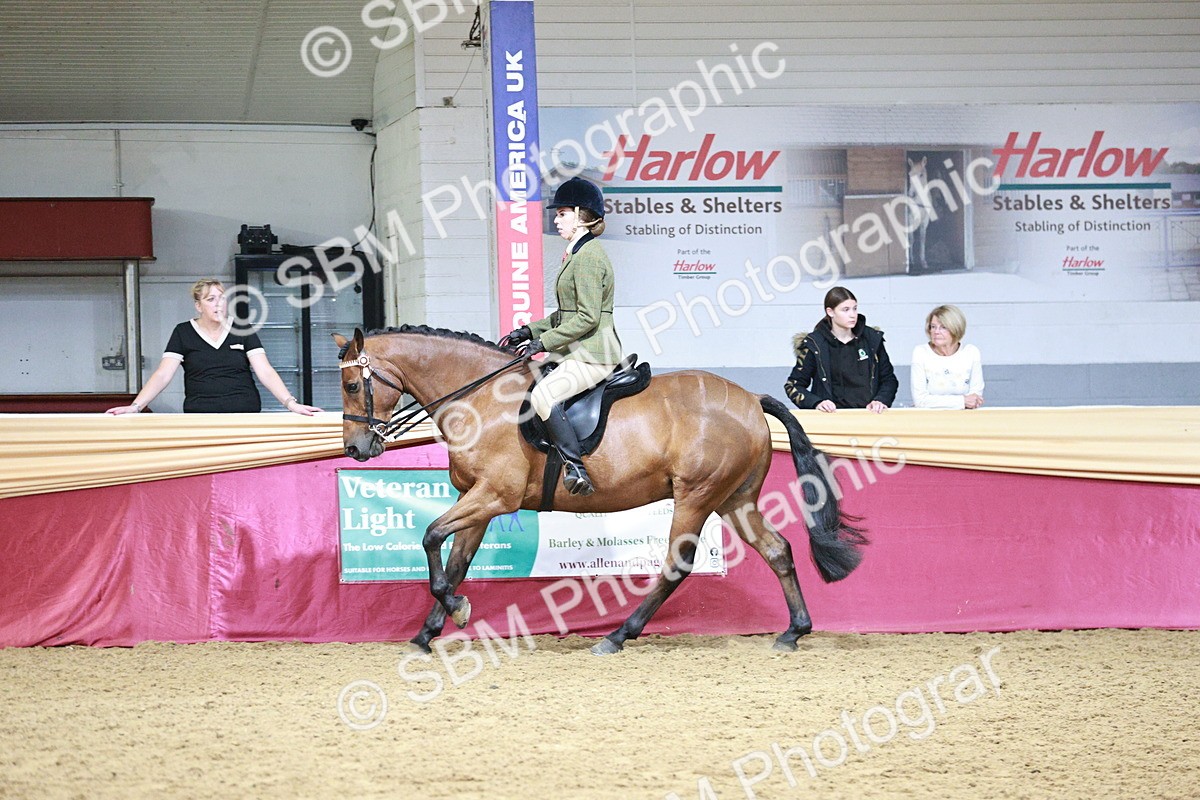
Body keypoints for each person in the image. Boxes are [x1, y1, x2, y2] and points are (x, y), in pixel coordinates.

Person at [505, 177, 622, 496]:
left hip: (593, 353)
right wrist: (528, 330)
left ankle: (575, 468)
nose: (555, 219)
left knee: (543, 396)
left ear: (582, 215)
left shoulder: (588, 257)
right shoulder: (575, 254)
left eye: (562, 214)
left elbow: (587, 318)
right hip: (575, 350)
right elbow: (565, 316)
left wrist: (542, 344)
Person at [106, 279, 322, 415]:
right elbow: (163, 375)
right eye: (211, 299)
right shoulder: (183, 332)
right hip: (201, 414)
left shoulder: (241, 328)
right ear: (198, 306)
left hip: (244, 412)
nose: (218, 304)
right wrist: (135, 406)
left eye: (222, 298)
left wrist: (290, 403)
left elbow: (265, 371)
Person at [785, 286, 898, 414]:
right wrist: (816, 402)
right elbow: (793, 386)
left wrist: (881, 400)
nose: (852, 315)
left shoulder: (872, 339)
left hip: (870, 417)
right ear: (830, 312)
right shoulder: (815, 344)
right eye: (845, 310)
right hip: (830, 420)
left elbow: (889, 380)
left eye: (855, 309)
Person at [910, 304, 984, 409]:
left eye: (943, 327)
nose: (936, 332)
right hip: (930, 420)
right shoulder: (921, 352)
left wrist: (936, 402)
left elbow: (975, 400)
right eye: (933, 327)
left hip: (965, 420)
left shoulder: (971, 352)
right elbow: (920, 400)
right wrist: (962, 401)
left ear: (956, 328)